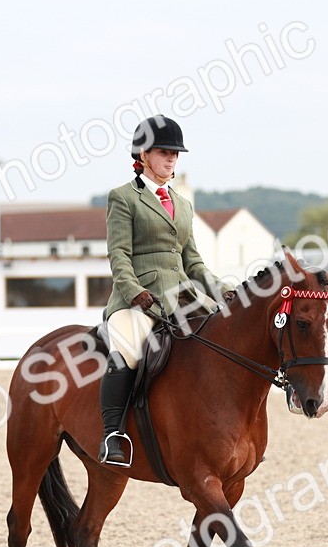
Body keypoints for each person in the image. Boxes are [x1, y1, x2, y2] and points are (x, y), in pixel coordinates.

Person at [97, 115, 236, 465]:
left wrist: (222, 291)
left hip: (182, 299)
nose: (171, 158)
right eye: (164, 151)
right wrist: (134, 292)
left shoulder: (184, 205)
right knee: (129, 349)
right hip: (138, 300)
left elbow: (194, 263)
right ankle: (113, 434)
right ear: (143, 155)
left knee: (219, 343)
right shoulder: (123, 198)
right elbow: (119, 254)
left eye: (175, 153)